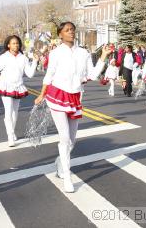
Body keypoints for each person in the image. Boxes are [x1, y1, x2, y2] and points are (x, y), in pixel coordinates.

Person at [34, 22, 112, 193]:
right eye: (67, 30)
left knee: (72, 141)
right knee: (64, 138)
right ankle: (67, 177)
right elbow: (49, 75)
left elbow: (91, 75)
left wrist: (103, 56)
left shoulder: (83, 53)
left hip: (75, 96)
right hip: (57, 95)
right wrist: (41, 94)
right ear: (60, 34)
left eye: (72, 30)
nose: (71, 32)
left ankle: (60, 162)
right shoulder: (55, 53)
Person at [0, 35, 38, 147]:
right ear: (8, 45)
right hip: (5, 86)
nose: (16, 45)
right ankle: (10, 136)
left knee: (15, 112)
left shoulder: (23, 58)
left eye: (17, 43)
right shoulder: (3, 57)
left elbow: (30, 74)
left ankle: (12, 131)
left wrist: (35, 61)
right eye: (13, 43)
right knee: (8, 111)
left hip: (18, 87)